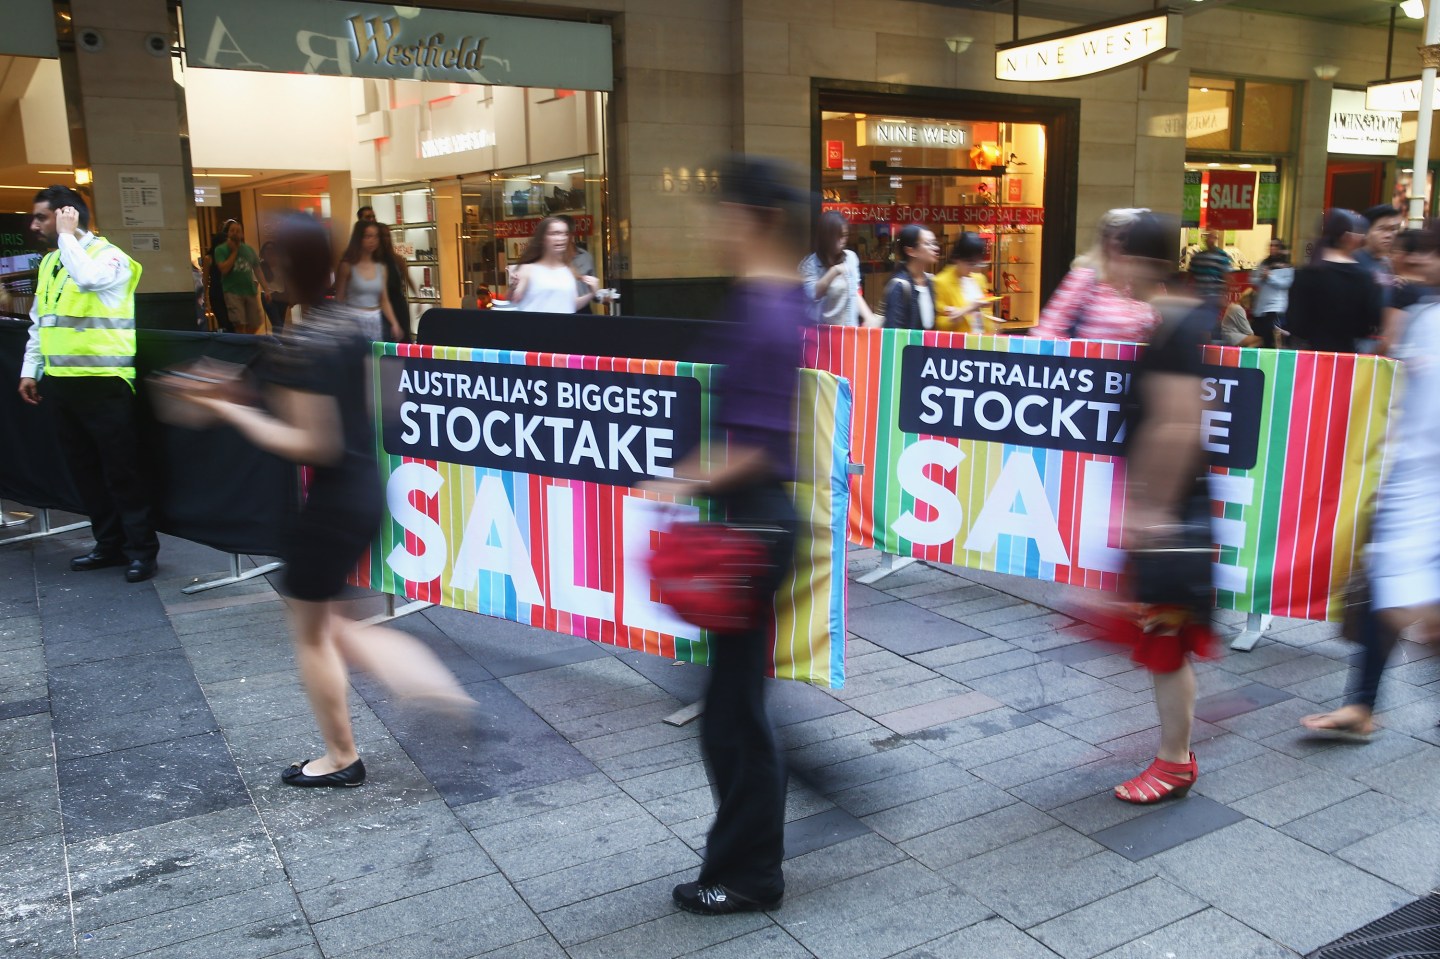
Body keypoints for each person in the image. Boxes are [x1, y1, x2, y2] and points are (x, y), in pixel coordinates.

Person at [161, 213, 472, 788]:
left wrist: (232, 409)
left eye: (272, 257)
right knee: (333, 626)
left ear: (285, 265)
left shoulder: (300, 345)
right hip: (365, 492)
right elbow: (390, 401)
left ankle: (342, 755)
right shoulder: (356, 325)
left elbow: (313, 444)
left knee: (315, 633)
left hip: (331, 504)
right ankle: (433, 689)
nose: (267, 267)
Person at [643, 155, 811, 916]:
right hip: (752, 520)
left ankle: (747, 872)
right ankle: (746, 859)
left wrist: (681, 479)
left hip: (754, 522)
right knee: (732, 703)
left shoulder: (770, 308)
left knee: (734, 710)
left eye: (725, 213)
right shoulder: (769, 298)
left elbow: (760, 440)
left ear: (758, 219)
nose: (714, 227)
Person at [1093, 211, 1219, 803]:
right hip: (1170, 508)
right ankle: (1175, 756)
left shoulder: (1175, 328)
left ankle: (1174, 762)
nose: (1108, 264)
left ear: (1141, 260)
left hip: (1172, 512)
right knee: (1160, 638)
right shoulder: (1169, 322)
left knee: (1165, 642)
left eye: (1116, 252)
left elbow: (1176, 423)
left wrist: (1151, 510)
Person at [1302, 218, 1440, 742]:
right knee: (1389, 586)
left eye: (1430, 252)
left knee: (1402, 593)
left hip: (1427, 483)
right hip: (1414, 478)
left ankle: (1361, 705)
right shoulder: (1426, 314)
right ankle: (1360, 706)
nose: (1419, 261)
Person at [17, 185, 159, 583]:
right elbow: (39, 322)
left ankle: (142, 552)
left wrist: (67, 237)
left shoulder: (112, 258)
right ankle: (108, 545)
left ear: (68, 215)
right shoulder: (49, 264)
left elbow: (91, 280)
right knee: (86, 473)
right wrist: (31, 369)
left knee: (122, 473)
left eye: (41, 217)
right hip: (62, 384)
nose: (34, 225)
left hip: (105, 383)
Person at [1035, 208, 1158, 342]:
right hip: (1092, 361)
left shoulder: (1141, 280)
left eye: (1133, 239)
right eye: (1121, 237)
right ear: (1105, 241)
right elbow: (1046, 330)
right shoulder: (1086, 277)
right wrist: (1077, 356)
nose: (1126, 245)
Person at [1286, 209, 1383, 353]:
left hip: (1311, 357)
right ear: (1348, 237)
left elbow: (1296, 325)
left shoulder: (1307, 273)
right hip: (1346, 357)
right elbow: (1366, 327)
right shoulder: (1364, 277)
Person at [799, 209, 876, 327]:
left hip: (848, 331)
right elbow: (814, 294)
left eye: (845, 236)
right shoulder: (810, 264)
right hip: (822, 334)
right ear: (826, 237)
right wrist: (834, 271)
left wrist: (869, 317)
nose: (842, 241)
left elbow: (854, 293)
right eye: (838, 236)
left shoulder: (850, 257)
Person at [509, 216, 600, 312]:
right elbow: (514, 300)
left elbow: (572, 304)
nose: (561, 238)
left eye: (565, 234)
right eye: (555, 233)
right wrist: (513, 289)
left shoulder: (568, 270)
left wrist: (592, 294)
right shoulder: (527, 270)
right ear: (542, 238)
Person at [334, 220, 404, 342]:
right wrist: (338, 325)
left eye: (376, 236)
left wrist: (394, 323)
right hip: (354, 320)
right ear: (359, 238)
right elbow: (339, 299)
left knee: (375, 358)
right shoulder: (347, 266)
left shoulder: (381, 268)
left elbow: (384, 300)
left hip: (375, 319)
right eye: (368, 236)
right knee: (357, 358)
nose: (373, 240)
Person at [1380, 228, 1437, 351]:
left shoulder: (1405, 290)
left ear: (1405, 256)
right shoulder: (1430, 291)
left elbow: (1389, 343)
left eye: (1393, 251)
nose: (1390, 257)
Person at [215, 219, 270, 334]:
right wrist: (234, 252)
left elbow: (257, 270)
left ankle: (248, 343)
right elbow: (224, 270)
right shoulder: (221, 250)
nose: (235, 233)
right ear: (228, 233)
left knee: (255, 322)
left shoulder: (248, 250)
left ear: (242, 234)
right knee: (239, 323)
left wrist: (266, 289)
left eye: (238, 231)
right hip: (232, 291)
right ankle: (243, 344)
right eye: (232, 230)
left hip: (249, 291)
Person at [881, 224, 939, 330]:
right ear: (910, 251)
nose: (935, 248)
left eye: (934, 243)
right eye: (928, 244)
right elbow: (894, 332)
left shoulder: (930, 281)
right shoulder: (900, 286)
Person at [932, 231, 990, 333]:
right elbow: (940, 324)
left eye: (976, 264)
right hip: (959, 344)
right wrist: (968, 309)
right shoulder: (941, 282)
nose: (973, 269)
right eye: (970, 263)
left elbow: (985, 314)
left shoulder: (979, 279)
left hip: (981, 341)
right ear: (957, 259)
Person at [1355, 203, 1403, 309]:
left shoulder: (1387, 263)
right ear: (1366, 231)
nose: (1388, 235)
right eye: (1382, 229)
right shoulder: (1353, 261)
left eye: (1393, 229)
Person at [1249, 238, 1293, 348]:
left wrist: (1270, 277)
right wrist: (1261, 278)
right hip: (1261, 308)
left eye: (1276, 246)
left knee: (1272, 338)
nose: (1273, 248)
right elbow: (1253, 280)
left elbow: (1286, 283)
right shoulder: (1263, 263)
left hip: (1276, 307)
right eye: (1271, 245)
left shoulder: (1286, 266)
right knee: (1260, 338)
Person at [557, 214, 598, 315]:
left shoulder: (586, 257)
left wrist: (600, 296)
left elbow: (592, 290)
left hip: (583, 311)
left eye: (563, 233)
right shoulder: (550, 258)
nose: (558, 238)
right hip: (558, 311)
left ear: (571, 234)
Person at [1186, 228, 1232, 300]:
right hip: (1200, 296)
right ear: (1205, 240)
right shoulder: (1198, 257)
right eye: (1209, 237)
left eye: (1213, 237)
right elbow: (1190, 275)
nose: (1210, 240)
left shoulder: (1222, 255)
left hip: (1214, 297)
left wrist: (1224, 295)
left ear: (1216, 239)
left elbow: (1228, 277)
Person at [203, 229, 232, 333]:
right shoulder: (209, 258)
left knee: (232, 322)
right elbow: (205, 279)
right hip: (216, 293)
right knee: (223, 321)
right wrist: (204, 298)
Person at [259, 240, 290, 333]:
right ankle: (277, 345)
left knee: (280, 324)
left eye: (272, 249)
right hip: (268, 297)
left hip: (282, 297)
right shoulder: (261, 267)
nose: (270, 251)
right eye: (267, 249)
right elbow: (255, 282)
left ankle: (277, 344)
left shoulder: (282, 266)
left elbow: (288, 282)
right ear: (263, 252)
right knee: (277, 324)